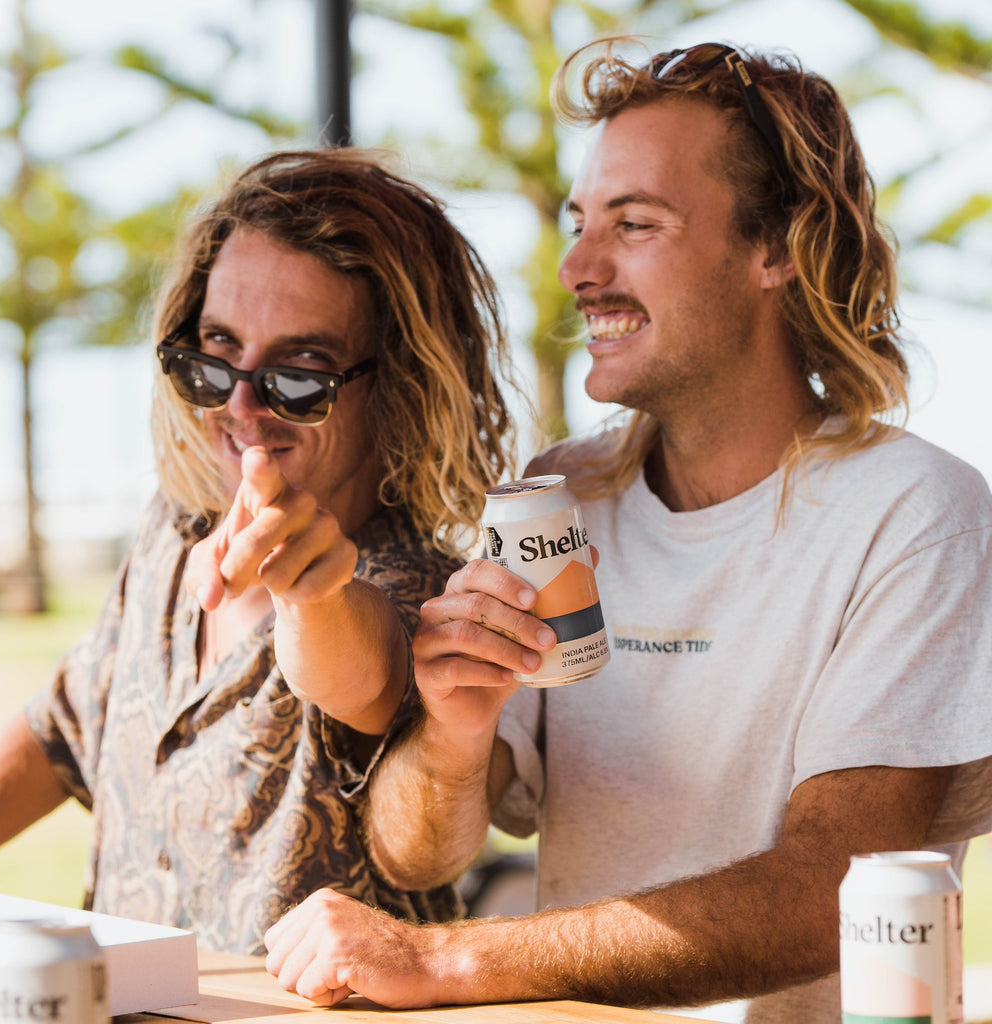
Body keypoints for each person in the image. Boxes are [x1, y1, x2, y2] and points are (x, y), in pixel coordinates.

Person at [262, 41, 992, 1024]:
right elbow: (419, 847)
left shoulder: (912, 510)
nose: (577, 267)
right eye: (579, 225)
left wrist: (447, 959)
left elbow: (834, 896)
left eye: (634, 224)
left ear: (779, 247)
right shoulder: (561, 494)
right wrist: (456, 725)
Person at [0, 147, 522, 954]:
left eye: (300, 375)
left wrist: (313, 594)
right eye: (215, 353)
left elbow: (362, 674)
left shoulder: (420, 586)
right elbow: (63, 731)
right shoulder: (173, 529)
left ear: (401, 383)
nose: (239, 407)